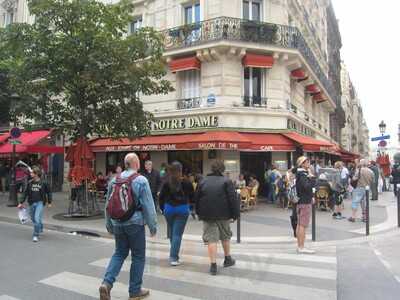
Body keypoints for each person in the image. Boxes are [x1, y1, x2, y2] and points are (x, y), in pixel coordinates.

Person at [100, 153, 157, 300]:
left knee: (119, 253)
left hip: (118, 223)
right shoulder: (141, 180)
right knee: (138, 257)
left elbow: (108, 205)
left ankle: (106, 283)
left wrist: (109, 225)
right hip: (135, 223)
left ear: (125, 164)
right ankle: (134, 291)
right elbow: (148, 206)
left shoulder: (114, 180)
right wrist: (153, 226)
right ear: (136, 164)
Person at [195, 160, 240, 275]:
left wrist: (198, 213)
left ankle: (213, 265)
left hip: (207, 215)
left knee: (211, 239)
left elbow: (196, 198)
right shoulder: (226, 181)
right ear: (222, 169)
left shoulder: (202, 181)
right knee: (225, 236)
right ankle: (227, 258)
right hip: (223, 214)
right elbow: (233, 200)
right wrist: (235, 215)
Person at [159, 162, 194, 266]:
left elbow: (161, 197)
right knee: (177, 234)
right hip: (182, 209)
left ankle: (174, 254)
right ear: (181, 170)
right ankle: (173, 257)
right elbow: (192, 196)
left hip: (168, 209)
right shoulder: (187, 182)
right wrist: (191, 207)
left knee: (172, 232)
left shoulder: (166, 182)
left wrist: (162, 209)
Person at [18, 166, 52, 242]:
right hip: (31, 203)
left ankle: (35, 235)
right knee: (33, 219)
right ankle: (40, 227)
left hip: (40, 203)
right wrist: (21, 202)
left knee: (36, 219)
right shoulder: (30, 183)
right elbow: (25, 193)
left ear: (36, 174)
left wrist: (49, 202)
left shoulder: (44, 183)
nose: (30, 173)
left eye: (32, 172)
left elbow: (49, 192)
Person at [294, 156, 315, 254]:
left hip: (300, 202)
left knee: (299, 224)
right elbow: (307, 187)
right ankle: (301, 247)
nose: (308, 163)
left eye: (308, 161)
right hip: (305, 202)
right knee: (303, 225)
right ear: (302, 164)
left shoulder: (299, 173)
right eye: (306, 162)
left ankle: (299, 246)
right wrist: (311, 178)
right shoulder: (303, 174)